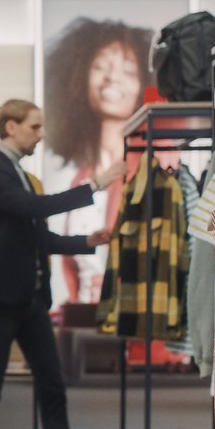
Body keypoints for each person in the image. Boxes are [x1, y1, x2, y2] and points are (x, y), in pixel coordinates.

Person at [0, 98, 126, 429]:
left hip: (31, 301)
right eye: (34, 127)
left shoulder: (19, 174)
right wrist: (96, 185)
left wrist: (85, 243)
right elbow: (36, 209)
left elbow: (36, 236)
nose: (40, 135)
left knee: (53, 386)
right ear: (11, 127)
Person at [40, 17, 153, 301]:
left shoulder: (151, 170)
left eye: (128, 71)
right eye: (100, 66)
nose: (112, 78)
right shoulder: (80, 176)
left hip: (129, 314)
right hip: (84, 316)